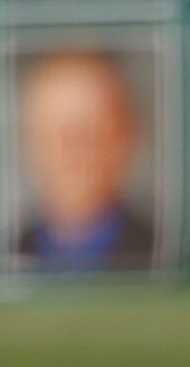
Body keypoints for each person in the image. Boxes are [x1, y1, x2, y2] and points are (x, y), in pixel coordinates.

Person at [13, 48, 155, 271]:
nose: (74, 152)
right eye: (57, 133)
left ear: (126, 136)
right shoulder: (8, 256)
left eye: (92, 133)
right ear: (28, 142)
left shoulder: (162, 257)